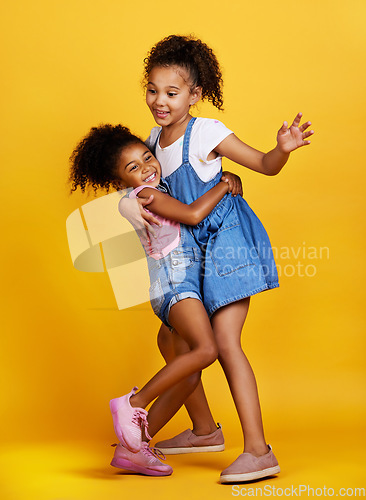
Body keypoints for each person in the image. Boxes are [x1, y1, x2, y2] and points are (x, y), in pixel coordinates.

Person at [127, 34, 314, 483]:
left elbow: (263, 165)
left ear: (194, 94)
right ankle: (205, 430)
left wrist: (282, 150)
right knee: (170, 340)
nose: (160, 100)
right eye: (152, 89)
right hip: (192, 252)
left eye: (172, 93)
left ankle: (258, 451)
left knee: (226, 343)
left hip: (227, 242)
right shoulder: (153, 138)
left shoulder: (206, 132)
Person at [69, 123, 238, 477]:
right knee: (206, 351)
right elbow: (192, 215)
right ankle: (133, 403)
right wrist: (224, 184)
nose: (146, 167)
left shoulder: (145, 191)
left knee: (189, 375)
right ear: (121, 181)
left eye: (147, 157)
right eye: (133, 167)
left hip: (173, 285)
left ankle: (136, 449)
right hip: (176, 285)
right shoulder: (147, 195)